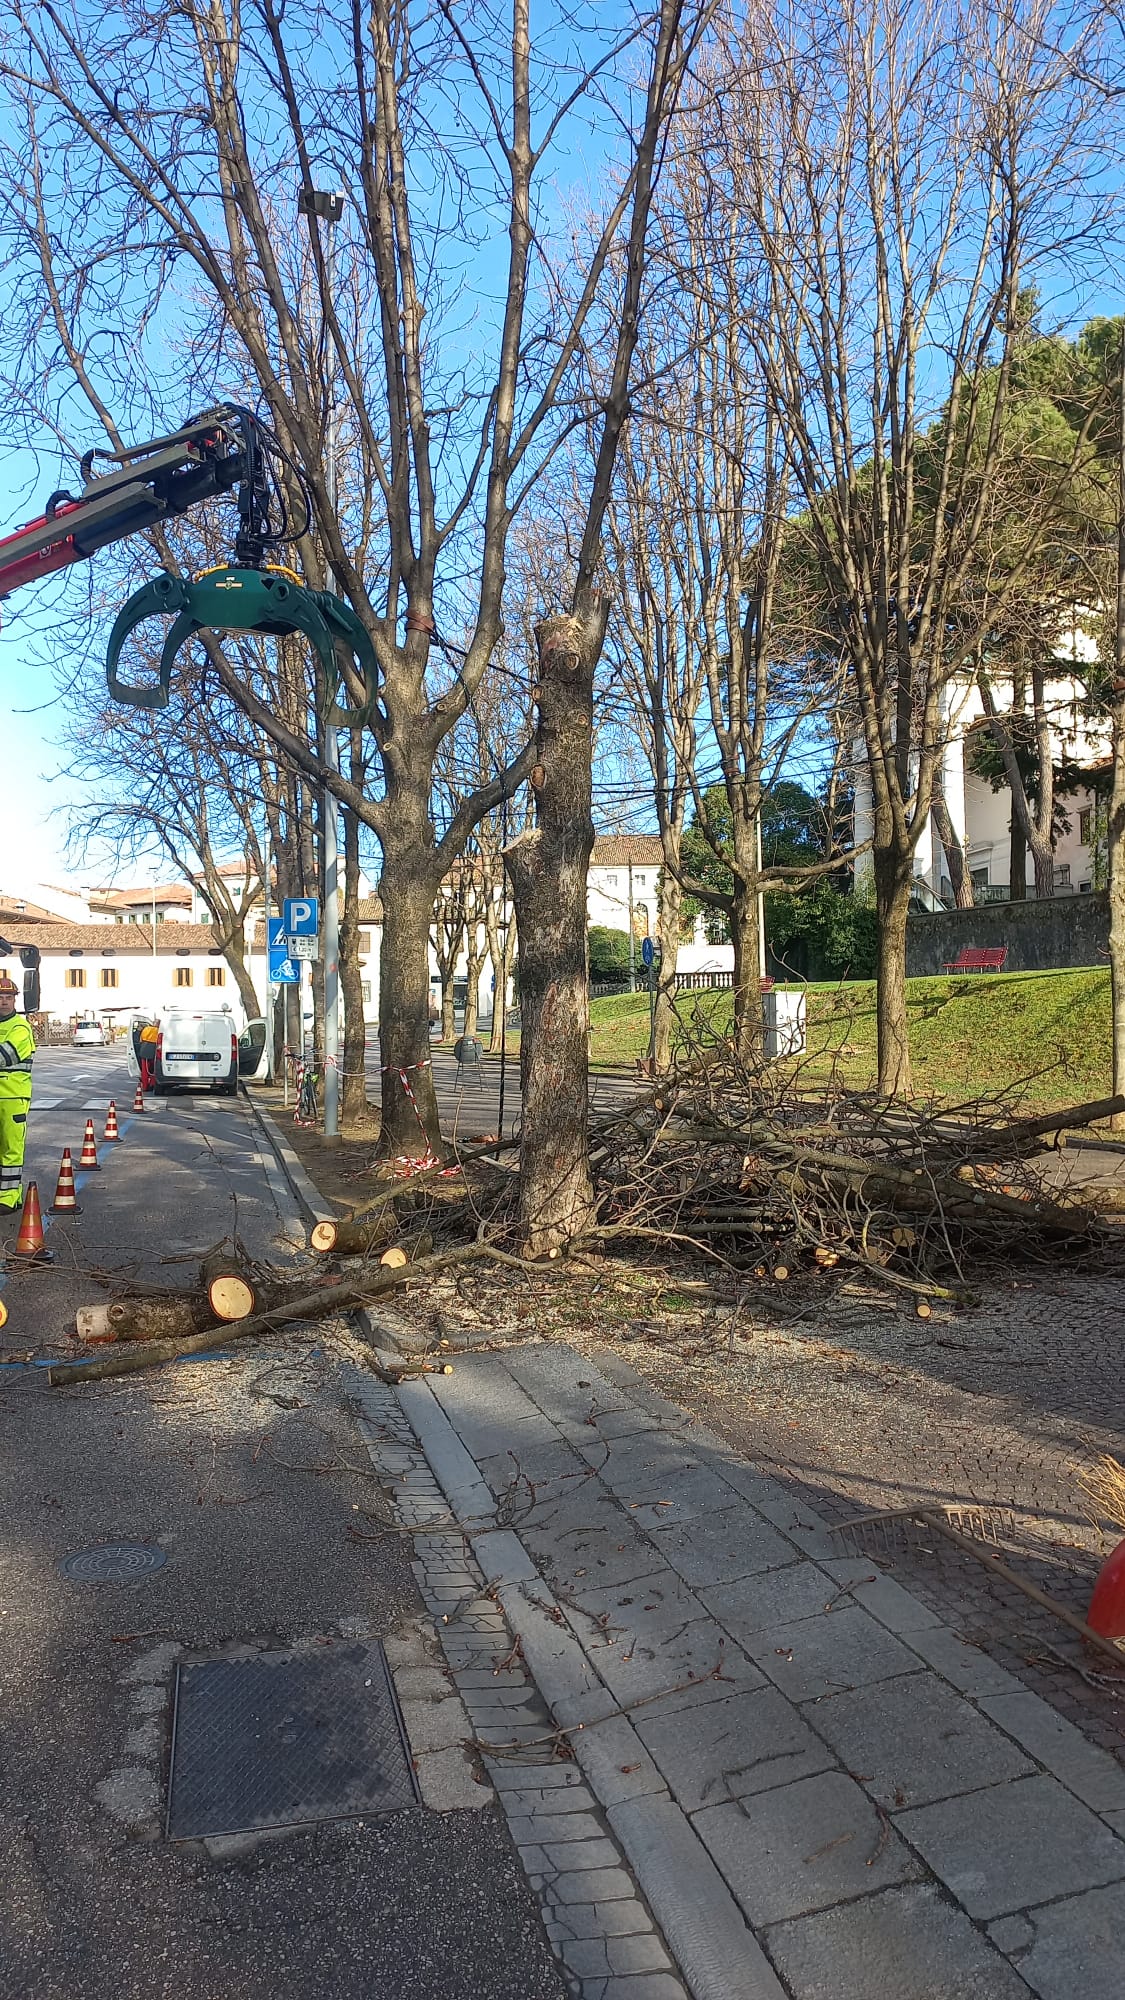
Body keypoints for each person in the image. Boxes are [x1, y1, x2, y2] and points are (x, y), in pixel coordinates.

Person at [0, 973, 35, 1214]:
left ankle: (10, 1197)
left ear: (15, 1001)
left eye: (8, 997)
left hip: (12, 1097)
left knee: (11, 1148)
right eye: (0, 997)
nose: (3, 1001)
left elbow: (5, 1056)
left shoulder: (20, 1027)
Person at [138, 1019, 159, 1091]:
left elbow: (140, 1040)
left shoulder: (146, 1029)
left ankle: (145, 1086)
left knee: (145, 1070)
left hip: (144, 1050)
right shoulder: (158, 1030)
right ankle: (152, 1084)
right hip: (154, 1051)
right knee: (154, 1070)